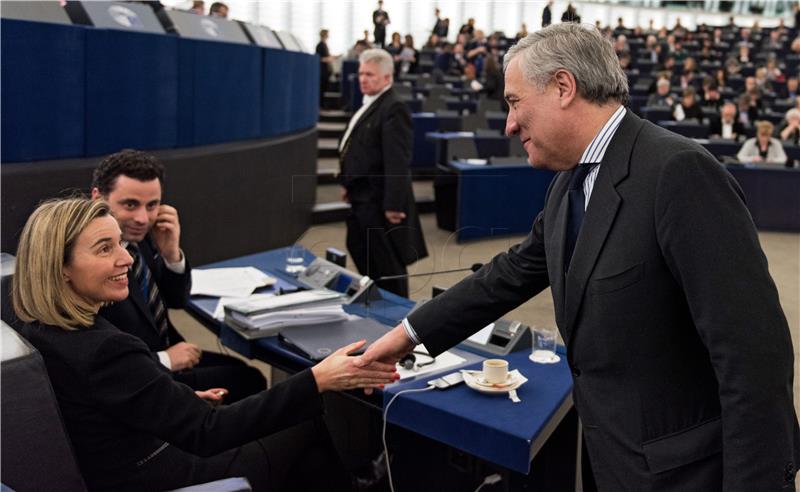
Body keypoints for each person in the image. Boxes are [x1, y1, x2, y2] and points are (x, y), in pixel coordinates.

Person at [356, 24, 799, 490]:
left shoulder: (678, 172)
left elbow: (755, 359)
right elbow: (508, 274)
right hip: (614, 464)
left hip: (688, 476)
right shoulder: (568, 184)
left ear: (563, 87)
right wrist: (407, 335)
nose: (508, 124)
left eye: (513, 101)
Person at [11, 197, 398, 491]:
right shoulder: (104, 350)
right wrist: (317, 378)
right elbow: (208, 433)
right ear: (60, 268)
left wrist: (174, 400)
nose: (126, 259)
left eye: (121, 245)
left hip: (117, 461)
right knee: (306, 425)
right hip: (154, 472)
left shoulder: (37, 328)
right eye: (104, 249)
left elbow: (104, 404)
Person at [91, 150, 265, 403]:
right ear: (98, 197)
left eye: (152, 206)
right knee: (250, 381)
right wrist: (165, 360)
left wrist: (171, 253)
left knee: (245, 373)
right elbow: (94, 355)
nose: (142, 218)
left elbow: (176, 300)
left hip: (173, 353)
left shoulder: (140, 237)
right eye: (130, 205)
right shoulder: (88, 261)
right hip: (140, 375)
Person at [338, 49, 428, 297]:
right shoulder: (371, 104)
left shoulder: (393, 107)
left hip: (379, 202)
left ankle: (396, 321)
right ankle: (376, 306)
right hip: (361, 196)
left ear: (387, 78)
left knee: (387, 265)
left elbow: (397, 160)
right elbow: (356, 148)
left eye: (370, 74)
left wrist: (393, 205)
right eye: (360, 73)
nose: (362, 79)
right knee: (362, 253)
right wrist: (347, 183)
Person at [316, 29, 338, 106]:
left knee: (324, 88)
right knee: (321, 89)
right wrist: (331, 58)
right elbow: (321, 58)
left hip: (325, 70)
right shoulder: (320, 45)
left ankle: (322, 105)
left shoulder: (324, 45)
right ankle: (320, 105)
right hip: (322, 70)